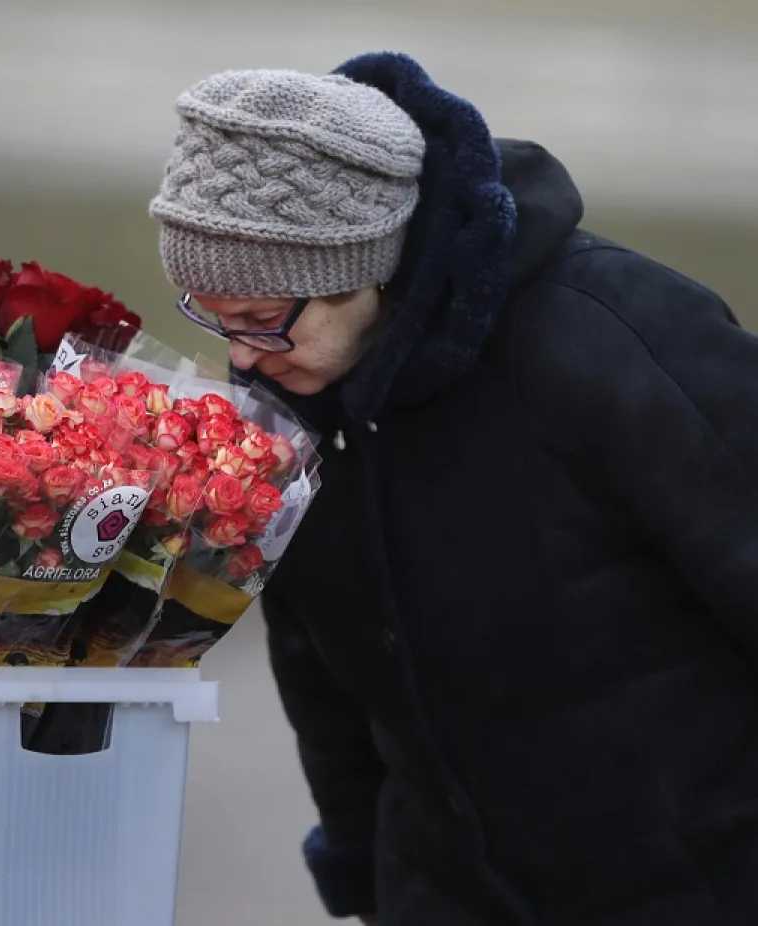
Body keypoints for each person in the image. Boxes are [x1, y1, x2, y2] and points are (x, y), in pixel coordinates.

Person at [148, 52, 758, 925]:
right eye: (209, 315)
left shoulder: (614, 338)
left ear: (373, 272)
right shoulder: (296, 413)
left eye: (263, 320)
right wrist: (361, 872)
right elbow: (318, 674)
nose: (242, 356)